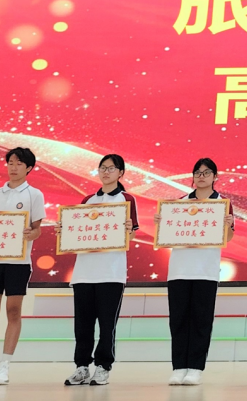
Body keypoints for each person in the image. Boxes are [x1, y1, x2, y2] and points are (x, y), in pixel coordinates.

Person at [59, 154, 139, 386]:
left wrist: (128, 230)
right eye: (102, 168)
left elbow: (131, 235)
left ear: (121, 173)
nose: (105, 172)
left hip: (111, 273)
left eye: (111, 168)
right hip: (84, 272)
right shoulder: (88, 200)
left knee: (106, 324)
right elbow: (76, 233)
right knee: (82, 324)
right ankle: (82, 366)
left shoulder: (126, 199)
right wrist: (65, 231)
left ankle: (103, 366)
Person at [155, 158, 235, 386]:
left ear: (215, 177)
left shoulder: (222, 204)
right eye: (198, 173)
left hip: (206, 272)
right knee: (178, 320)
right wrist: (162, 223)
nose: (201, 176)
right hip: (179, 270)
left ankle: (195, 368)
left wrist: (227, 224)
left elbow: (228, 238)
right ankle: (179, 367)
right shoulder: (179, 204)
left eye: (207, 173)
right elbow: (167, 235)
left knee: (201, 320)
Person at [0, 147, 45, 386]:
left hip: (18, 262)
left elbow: (37, 229)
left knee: (13, 311)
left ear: (29, 168)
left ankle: (4, 364)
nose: (13, 167)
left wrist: (30, 234)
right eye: (10, 163)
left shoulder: (34, 195)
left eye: (19, 163)